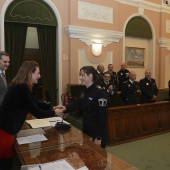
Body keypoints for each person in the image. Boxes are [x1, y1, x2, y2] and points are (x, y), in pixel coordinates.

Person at [0, 61, 64, 170]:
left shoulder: (22, 86)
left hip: (7, 129)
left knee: (9, 162)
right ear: (30, 73)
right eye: (38, 73)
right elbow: (37, 112)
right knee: (5, 164)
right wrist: (54, 113)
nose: (40, 76)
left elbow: (36, 102)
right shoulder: (22, 88)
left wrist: (52, 107)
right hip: (5, 132)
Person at [64, 66, 108, 148]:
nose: (80, 78)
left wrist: (99, 137)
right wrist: (63, 109)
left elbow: (102, 117)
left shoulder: (100, 93)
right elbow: (77, 104)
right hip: (86, 130)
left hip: (96, 133)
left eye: (82, 75)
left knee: (97, 159)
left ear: (90, 75)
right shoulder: (84, 90)